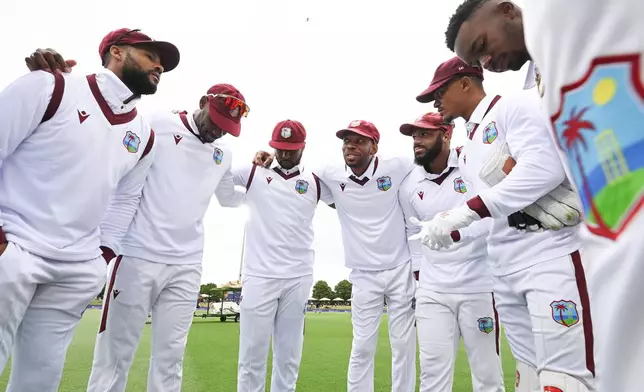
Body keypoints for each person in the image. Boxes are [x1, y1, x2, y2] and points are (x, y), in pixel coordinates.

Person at [448, 1, 644, 390]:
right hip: (596, 230)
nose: (486, 61)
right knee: (538, 375)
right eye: (476, 59)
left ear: (506, 10)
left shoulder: (565, 16)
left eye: (482, 44)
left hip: (603, 233)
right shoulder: (531, 83)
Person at [25, 49, 248, 392]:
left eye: (227, 129)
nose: (218, 132)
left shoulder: (223, 153)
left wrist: (262, 170)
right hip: (137, 255)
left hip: (187, 264)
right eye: (215, 122)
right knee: (115, 353)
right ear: (203, 102)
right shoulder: (157, 123)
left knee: (171, 356)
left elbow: (229, 197)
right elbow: (110, 150)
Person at [0, 27, 179, 391]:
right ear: (116, 51)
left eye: (162, 62)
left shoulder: (143, 135)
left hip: (75, 269)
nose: (158, 66)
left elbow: (125, 199)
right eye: (149, 55)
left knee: (40, 380)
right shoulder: (50, 86)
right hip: (13, 248)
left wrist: (102, 257)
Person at [411, 55, 596, 392]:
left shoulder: (513, 105)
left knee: (566, 379)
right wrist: (451, 228)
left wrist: (465, 212)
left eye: (439, 91)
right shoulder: (466, 149)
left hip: (548, 256)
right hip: (503, 267)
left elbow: (544, 168)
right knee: (528, 376)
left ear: (466, 83)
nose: (434, 100)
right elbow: (489, 217)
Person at [254, 120, 417, 392]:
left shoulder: (398, 165)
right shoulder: (328, 172)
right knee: (363, 345)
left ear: (374, 146)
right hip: (363, 274)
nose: (350, 145)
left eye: (359, 141)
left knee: (403, 345)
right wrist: (271, 162)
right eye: (346, 141)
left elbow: (431, 163)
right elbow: (296, 174)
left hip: (401, 267)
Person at [398, 112, 504, 392]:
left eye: (424, 134)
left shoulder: (471, 164)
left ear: (446, 134)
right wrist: (419, 277)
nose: (417, 141)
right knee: (432, 375)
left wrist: (455, 230)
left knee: (487, 374)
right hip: (432, 291)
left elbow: (493, 213)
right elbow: (412, 234)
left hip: (478, 285)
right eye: (414, 136)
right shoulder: (409, 183)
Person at [232, 119, 334, 392]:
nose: (285, 154)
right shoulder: (253, 172)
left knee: (288, 357)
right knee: (251, 356)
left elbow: (352, 201)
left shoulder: (314, 181)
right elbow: (215, 174)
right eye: (279, 148)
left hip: (298, 277)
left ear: (303, 147)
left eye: (291, 149)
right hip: (259, 275)